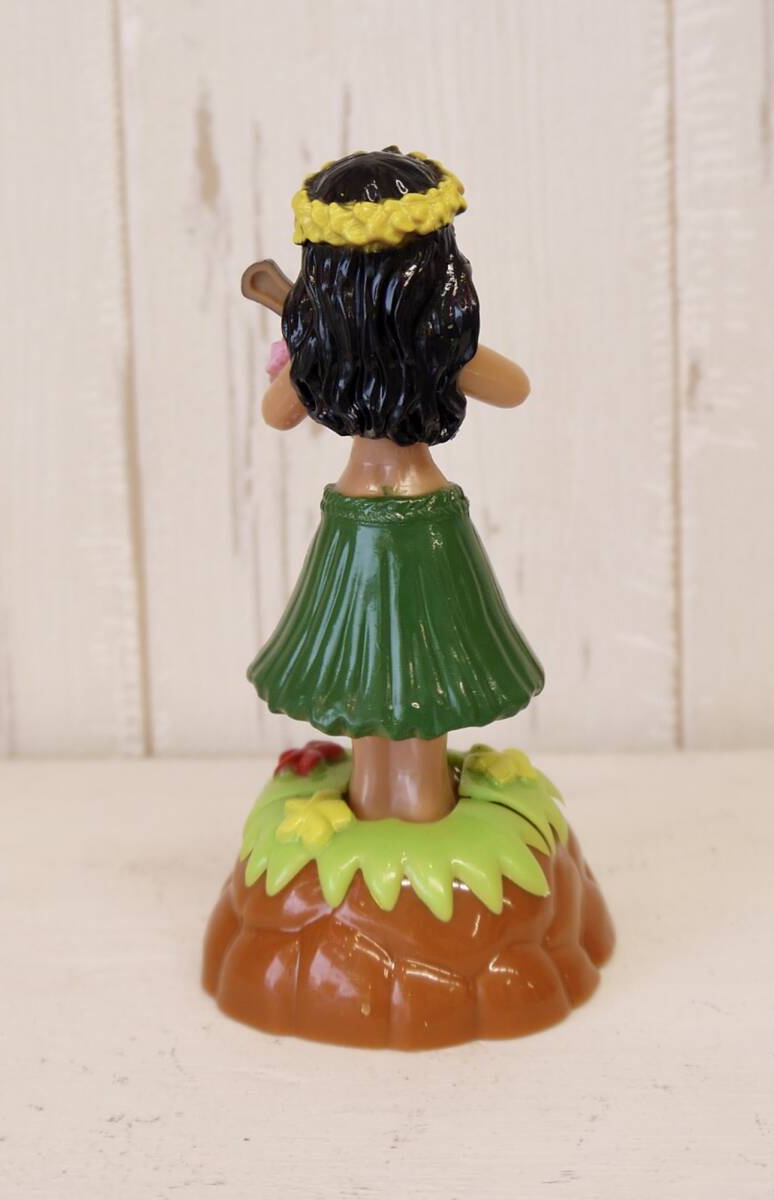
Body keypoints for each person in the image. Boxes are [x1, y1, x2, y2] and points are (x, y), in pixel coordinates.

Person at [249, 147, 542, 823]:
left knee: (373, 676)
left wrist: (314, 354)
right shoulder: (439, 351)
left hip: (358, 520)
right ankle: (419, 801)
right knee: (419, 676)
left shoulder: (322, 356)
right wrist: (440, 351)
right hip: (423, 516)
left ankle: (381, 798)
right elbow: (516, 387)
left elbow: (275, 414)